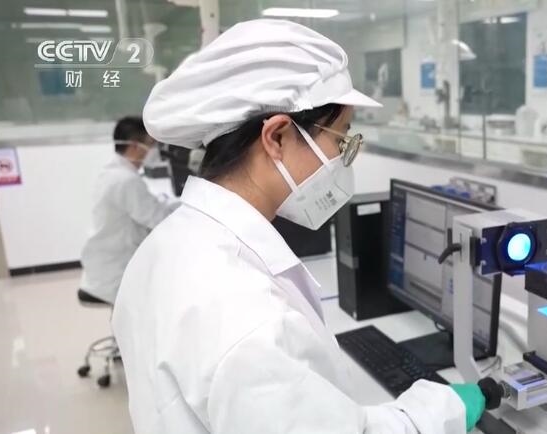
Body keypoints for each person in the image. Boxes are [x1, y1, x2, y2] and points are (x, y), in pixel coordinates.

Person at [112, 19, 486, 434]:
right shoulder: (248, 319)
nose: (344, 157)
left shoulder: (165, 245)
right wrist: (438, 412)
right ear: (277, 137)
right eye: (341, 139)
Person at [79, 116, 179, 304]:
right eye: (151, 144)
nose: (154, 150)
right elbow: (157, 219)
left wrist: (176, 205)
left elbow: (148, 209)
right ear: (134, 146)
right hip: (115, 273)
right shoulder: (126, 180)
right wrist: (187, 206)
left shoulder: (112, 173)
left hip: (103, 265)